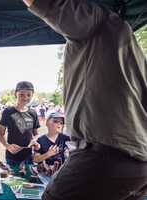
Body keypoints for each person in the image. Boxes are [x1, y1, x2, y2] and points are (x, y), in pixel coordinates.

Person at [22, 0, 147, 199]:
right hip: (138, 162)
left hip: (105, 155)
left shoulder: (94, 17)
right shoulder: (128, 41)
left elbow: (48, 5)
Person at [0, 81, 40, 167]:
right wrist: (7, 146)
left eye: (29, 95)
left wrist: (34, 140)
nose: (25, 98)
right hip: (12, 157)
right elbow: (1, 135)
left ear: (32, 95)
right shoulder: (8, 111)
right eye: (21, 94)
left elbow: (36, 134)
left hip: (28, 156)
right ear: (15, 94)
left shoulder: (33, 113)